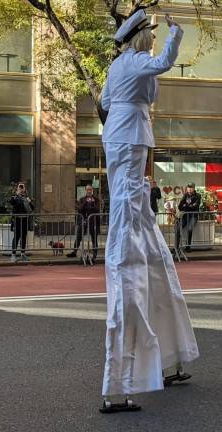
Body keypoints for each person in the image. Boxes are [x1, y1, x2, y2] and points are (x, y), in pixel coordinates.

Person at [99, 11, 199, 412]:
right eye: (152, 36)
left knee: (140, 233)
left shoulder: (118, 66)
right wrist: (178, 31)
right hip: (130, 141)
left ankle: (165, 361)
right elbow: (161, 64)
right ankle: (119, 383)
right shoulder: (140, 61)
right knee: (128, 241)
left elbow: (108, 101)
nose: (154, 42)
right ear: (140, 38)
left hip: (121, 138)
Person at [66, 185, 100, 264]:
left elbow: (97, 210)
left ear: (92, 190)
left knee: (94, 238)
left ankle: (94, 256)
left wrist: (92, 203)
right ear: (85, 190)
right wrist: (85, 202)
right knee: (78, 236)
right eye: (87, 189)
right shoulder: (82, 199)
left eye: (90, 189)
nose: (89, 191)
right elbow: (80, 210)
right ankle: (74, 252)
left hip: (94, 222)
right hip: (84, 221)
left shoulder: (96, 199)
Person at [9, 183, 34, 263]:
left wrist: (29, 201)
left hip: (25, 220)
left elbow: (32, 208)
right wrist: (17, 193)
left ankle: (23, 254)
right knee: (16, 237)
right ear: (17, 189)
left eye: (22, 187)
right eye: (20, 187)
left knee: (23, 237)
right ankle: (13, 255)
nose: (21, 189)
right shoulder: (15, 197)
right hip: (17, 220)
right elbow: (11, 202)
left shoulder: (26, 198)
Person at [176, 182, 201, 252]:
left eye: (191, 188)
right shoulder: (185, 195)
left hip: (193, 216)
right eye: (188, 187)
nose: (189, 189)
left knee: (190, 229)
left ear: (194, 188)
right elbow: (180, 206)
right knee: (178, 229)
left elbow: (195, 206)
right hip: (185, 215)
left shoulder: (198, 195)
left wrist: (186, 206)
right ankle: (176, 247)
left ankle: (188, 246)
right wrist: (188, 206)